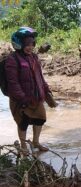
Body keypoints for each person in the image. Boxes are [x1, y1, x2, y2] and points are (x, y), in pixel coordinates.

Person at [5, 27, 52, 155]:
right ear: (18, 44)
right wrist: (22, 98)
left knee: (40, 119)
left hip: (36, 97)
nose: (30, 47)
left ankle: (36, 142)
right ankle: (23, 146)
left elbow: (39, 76)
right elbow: (13, 83)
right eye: (27, 44)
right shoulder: (12, 60)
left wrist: (46, 88)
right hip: (20, 100)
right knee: (23, 123)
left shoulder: (34, 57)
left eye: (32, 44)